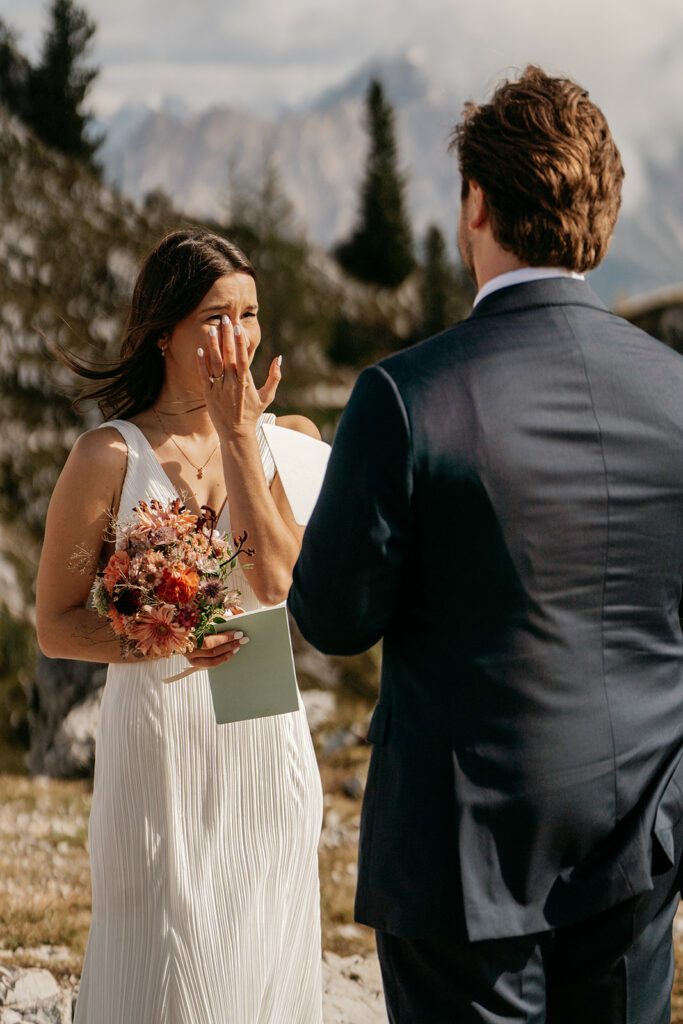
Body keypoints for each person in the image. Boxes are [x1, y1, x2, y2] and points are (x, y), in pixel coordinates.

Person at [288, 66, 683, 1024]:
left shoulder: (404, 396)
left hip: (459, 859)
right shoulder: (675, 391)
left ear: (475, 202)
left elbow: (334, 619)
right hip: (640, 840)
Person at [36, 229, 324, 1024]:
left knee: (265, 945)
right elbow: (57, 627)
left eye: (251, 314)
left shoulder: (285, 441)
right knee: (168, 956)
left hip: (264, 720)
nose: (239, 336)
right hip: (160, 731)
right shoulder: (108, 456)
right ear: (164, 331)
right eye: (215, 317)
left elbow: (271, 582)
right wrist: (155, 637)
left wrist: (239, 436)